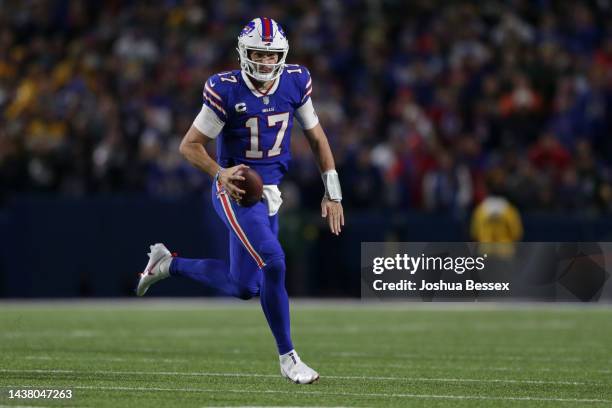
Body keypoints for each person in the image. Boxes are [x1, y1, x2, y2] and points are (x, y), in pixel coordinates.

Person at [135, 17, 344, 384]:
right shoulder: (226, 89)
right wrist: (220, 173)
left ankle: (168, 265)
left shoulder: (296, 81)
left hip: (272, 192)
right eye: (258, 55)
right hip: (236, 191)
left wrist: (333, 191)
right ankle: (289, 358)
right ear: (244, 54)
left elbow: (316, 138)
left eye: (271, 55)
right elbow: (189, 145)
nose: (265, 63)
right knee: (274, 260)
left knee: (244, 287)